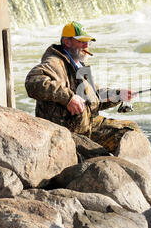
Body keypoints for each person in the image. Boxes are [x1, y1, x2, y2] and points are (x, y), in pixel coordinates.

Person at [25, 21, 140, 153]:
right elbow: (33, 81)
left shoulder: (78, 64)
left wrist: (117, 94)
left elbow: (92, 96)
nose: (86, 45)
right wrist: (68, 98)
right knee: (107, 152)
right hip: (67, 133)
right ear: (67, 42)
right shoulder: (54, 62)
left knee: (131, 130)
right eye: (82, 41)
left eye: (88, 42)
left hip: (90, 125)